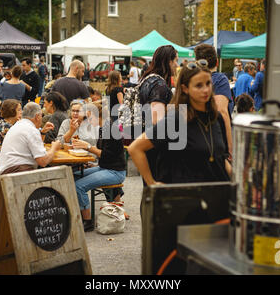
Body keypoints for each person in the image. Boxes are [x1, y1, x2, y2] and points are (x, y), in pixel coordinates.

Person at [128, 63, 231, 186]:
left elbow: (221, 159)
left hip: (216, 197)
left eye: (208, 83)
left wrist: (239, 181)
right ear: (185, 88)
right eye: (198, 85)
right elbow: (135, 148)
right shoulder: (177, 119)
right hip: (185, 199)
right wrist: (152, 184)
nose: (206, 90)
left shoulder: (216, 118)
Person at [72, 101, 126, 232]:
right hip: (105, 167)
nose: (89, 120)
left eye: (90, 117)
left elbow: (106, 155)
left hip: (115, 172)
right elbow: (103, 153)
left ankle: (87, 221)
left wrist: (88, 147)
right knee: (72, 176)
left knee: (78, 186)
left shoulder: (111, 129)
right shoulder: (104, 128)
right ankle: (79, 211)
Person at [135, 45, 178, 183]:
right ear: (168, 61)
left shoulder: (147, 79)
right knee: (158, 193)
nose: (177, 65)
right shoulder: (159, 85)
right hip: (157, 149)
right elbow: (157, 121)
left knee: (150, 193)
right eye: (175, 60)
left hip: (146, 141)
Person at [0, 102, 58, 175]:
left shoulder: (19, 125)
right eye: (41, 116)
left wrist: (43, 132)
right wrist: (54, 148)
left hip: (7, 171)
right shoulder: (31, 129)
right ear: (37, 116)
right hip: (18, 172)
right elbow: (43, 161)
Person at [194, 44, 233, 156]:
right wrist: (230, 146)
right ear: (216, 62)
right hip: (217, 139)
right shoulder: (220, 79)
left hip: (199, 139)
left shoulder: (193, 81)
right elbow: (223, 112)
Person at [0, 99, 22, 178]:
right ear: (12, 111)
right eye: (19, 110)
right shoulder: (8, 128)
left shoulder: (2, 122)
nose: (21, 112)